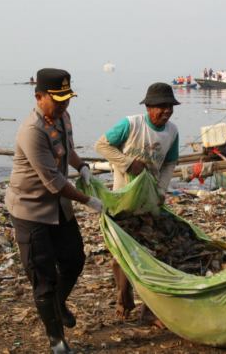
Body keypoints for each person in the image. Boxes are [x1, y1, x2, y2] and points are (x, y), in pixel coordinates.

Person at [5, 68, 103, 354]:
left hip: (58, 206)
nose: (64, 105)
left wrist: (82, 166)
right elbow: (54, 182)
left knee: (74, 260)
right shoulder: (31, 130)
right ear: (39, 97)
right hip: (30, 209)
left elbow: (67, 149)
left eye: (67, 98)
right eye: (58, 99)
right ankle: (57, 341)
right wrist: (88, 201)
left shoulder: (63, 117)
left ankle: (58, 306)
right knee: (43, 275)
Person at [94, 82, 180, 328]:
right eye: (162, 106)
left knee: (153, 253)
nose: (167, 111)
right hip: (123, 199)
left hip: (150, 202)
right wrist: (128, 162)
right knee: (121, 255)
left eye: (170, 106)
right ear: (149, 107)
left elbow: (170, 164)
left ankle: (150, 312)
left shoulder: (172, 131)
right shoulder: (131, 124)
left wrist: (162, 190)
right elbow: (101, 145)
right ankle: (124, 302)